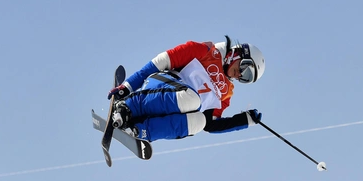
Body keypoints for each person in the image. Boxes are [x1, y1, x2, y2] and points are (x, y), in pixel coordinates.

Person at [107, 36, 265, 142]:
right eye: (246, 68)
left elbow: (211, 124)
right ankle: (128, 107)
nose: (241, 75)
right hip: (161, 84)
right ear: (238, 53)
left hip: (179, 104)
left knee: (200, 121)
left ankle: (140, 130)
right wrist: (128, 87)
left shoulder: (226, 94)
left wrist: (244, 121)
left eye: (247, 78)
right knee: (193, 100)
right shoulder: (207, 52)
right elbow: (162, 60)